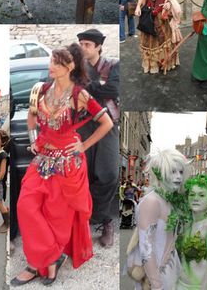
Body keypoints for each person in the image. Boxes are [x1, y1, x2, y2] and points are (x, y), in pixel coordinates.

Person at [11, 44, 113, 286]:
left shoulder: (80, 95)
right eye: (51, 61)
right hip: (43, 158)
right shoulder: (40, 89)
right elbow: (32, 116)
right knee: (26, 206)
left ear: (70, 67)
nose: (51, 66)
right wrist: (34, 141)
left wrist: (83, 146)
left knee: (56, 215)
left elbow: (106, 122)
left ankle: (42, 262)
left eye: (56, 63)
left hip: (67, 162)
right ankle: (46, 258)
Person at [77, 29, 120, 248]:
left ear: (98, 47)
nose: (83, 47)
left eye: (87, 44)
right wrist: (98, 88)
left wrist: (89, 87)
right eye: (81, 44)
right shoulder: (76, 67)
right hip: (82, 124)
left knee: (110, 174)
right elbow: (72, 91)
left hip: (108, 123)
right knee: (85, 174)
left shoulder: (113, 64)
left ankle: (103, 219)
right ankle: (90, 220)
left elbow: (114, 89)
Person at [125, 149, 185, 290]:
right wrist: (156, 284)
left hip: (170, 269)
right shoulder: (152, 202)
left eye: (181, 172)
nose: (178, 177)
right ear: (160, 173)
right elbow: (146, 248)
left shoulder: (169, 200)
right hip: (155, 274)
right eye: (172, 171)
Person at [177, 175, 207, 289]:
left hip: (199, 286)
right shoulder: (186, 223)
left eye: (202, 195)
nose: (195, 198)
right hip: (180, 284)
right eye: (192, 194)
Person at [134, 0, 177, 73]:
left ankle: (164, 63)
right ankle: (151, 65)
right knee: (150, 42)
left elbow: (172, 0)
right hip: (148, 17)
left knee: (162, 41)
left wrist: (169, 4)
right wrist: (138, 6)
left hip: (162, 18)